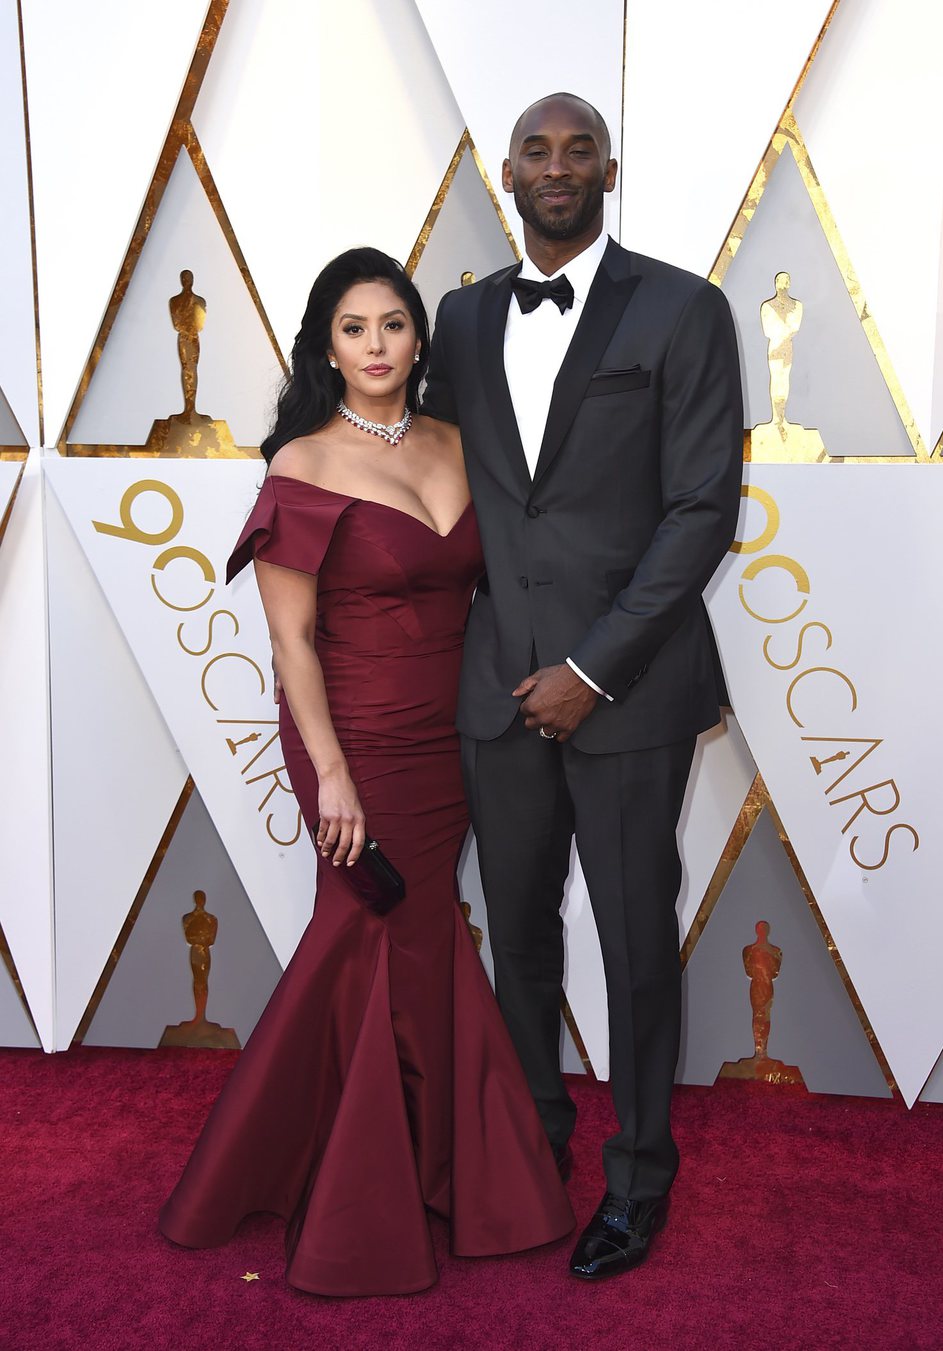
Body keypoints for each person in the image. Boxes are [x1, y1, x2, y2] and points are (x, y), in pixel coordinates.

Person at [159, 247, 574, 1296]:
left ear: (419, 338)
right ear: (325, 345)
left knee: (421, 936)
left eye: (394, 324)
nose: (378, 346)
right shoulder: (300, 464)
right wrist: (331, 778)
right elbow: (292, 642)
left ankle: (430, 1165)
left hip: (455, 733)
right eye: (355, 328)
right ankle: (355, 1195)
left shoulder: (457, 442)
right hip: (354, 734)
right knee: (364, 928)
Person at [421, 93, 744, 1281]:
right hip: (494, 688)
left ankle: (640, 1177)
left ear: (610, 168)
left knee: (633, 943)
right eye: (536, 151)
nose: (557, 167)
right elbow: (423, 467)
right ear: (506, 171)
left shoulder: (683, 308)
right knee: (517, 940)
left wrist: (594, 669)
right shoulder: (456, 320)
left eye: (578, 149)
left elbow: (703, 507)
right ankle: (528, 1152)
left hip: (630, 690)